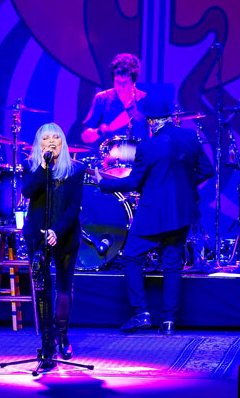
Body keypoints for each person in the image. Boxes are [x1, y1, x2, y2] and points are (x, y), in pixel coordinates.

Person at [95, 87, 214, 335]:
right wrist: (182, 186)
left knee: (130, 257)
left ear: (150, 120)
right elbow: (206, 171)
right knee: (172, 265)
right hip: (182, 213)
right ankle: (169, 322)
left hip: (152, 215)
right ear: (171, 116)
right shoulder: (191, 138)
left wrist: (103, 183)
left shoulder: (148, 147)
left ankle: (141, 314)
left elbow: (132, 183)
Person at [22, 123, 86, 358]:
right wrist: (42, 167)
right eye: (45, 138)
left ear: (62, 142)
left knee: (63, 288)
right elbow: (27, 192)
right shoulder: (31, 166)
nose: (51, 141)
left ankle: (63, 334)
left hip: (65, 235)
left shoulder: (76, 170)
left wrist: (56, 231)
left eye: (55, 138)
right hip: (37, 235)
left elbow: (73, 207)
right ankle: (47, 341)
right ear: (39, 144)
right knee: (42, 289)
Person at [81, 53, 148, 146]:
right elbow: (85, 137)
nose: (121, 86)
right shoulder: (101, 99)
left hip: (139, 158)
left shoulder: (145, 100)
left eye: (125, 82)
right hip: (108, 158)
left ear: (134, 82)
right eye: (118, 82)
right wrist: (99, 131)